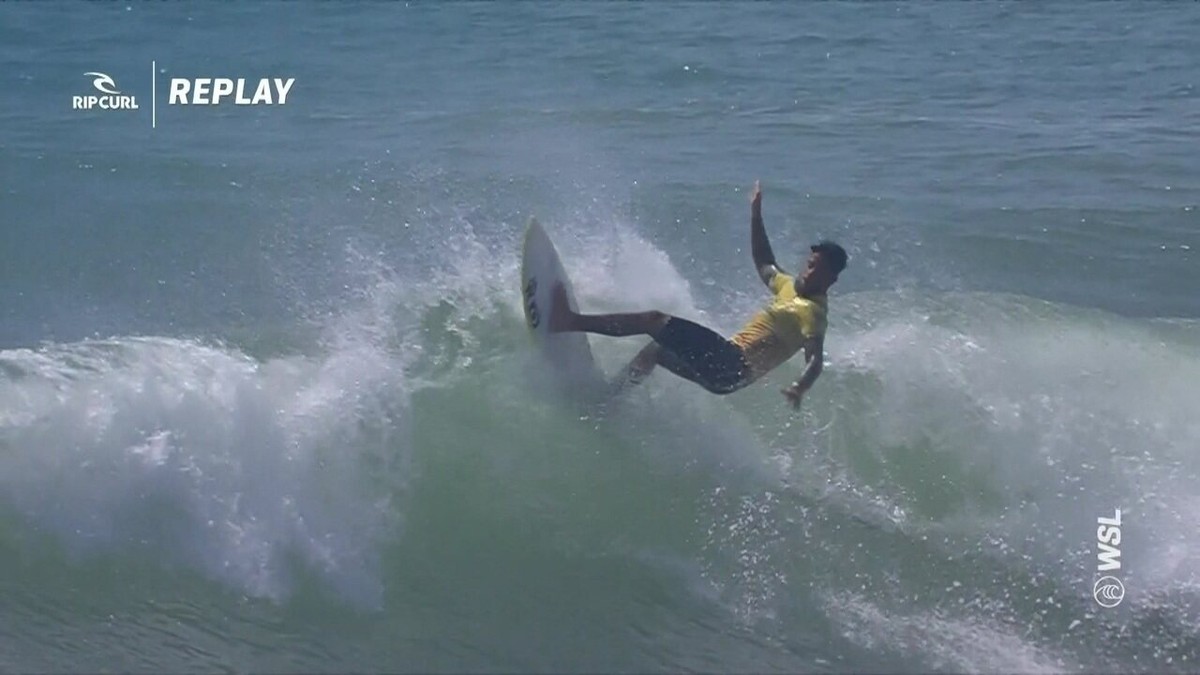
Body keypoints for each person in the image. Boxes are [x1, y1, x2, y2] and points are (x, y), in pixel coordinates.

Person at [550, 181, 847, 409]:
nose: (808, 272)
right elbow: (764, 260)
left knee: (654, 321)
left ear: (831, 278)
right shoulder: (789, 287)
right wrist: (755, 214)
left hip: (734, 365)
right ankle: (608, 402)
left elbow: (815, 359)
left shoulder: (813, 314)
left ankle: (567, 320)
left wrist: (801, 387)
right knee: (656, 353)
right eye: (809, 265)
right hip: (727, 377)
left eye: (817, 270)